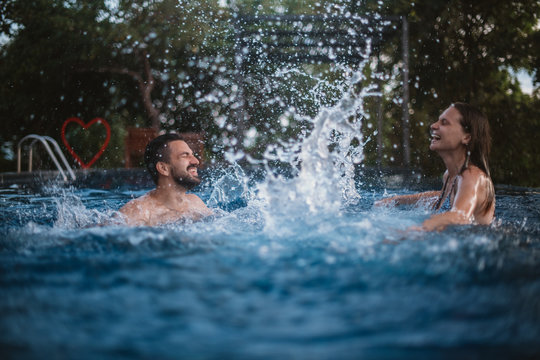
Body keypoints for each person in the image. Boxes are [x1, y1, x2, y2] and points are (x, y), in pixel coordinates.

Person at [375, 102, 495, 231]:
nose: (433, 125)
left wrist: (416, 230)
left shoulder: (472, 177)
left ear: (466, 137)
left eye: (444, 122)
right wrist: (397, 200)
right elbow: (441, 197)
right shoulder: (449, 176)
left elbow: (460, 217)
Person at [119, 133, 212, 226]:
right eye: (185, 155)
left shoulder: (195, 203)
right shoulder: (138, 213)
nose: (196, 161)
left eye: (192, 155)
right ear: (163, 168)